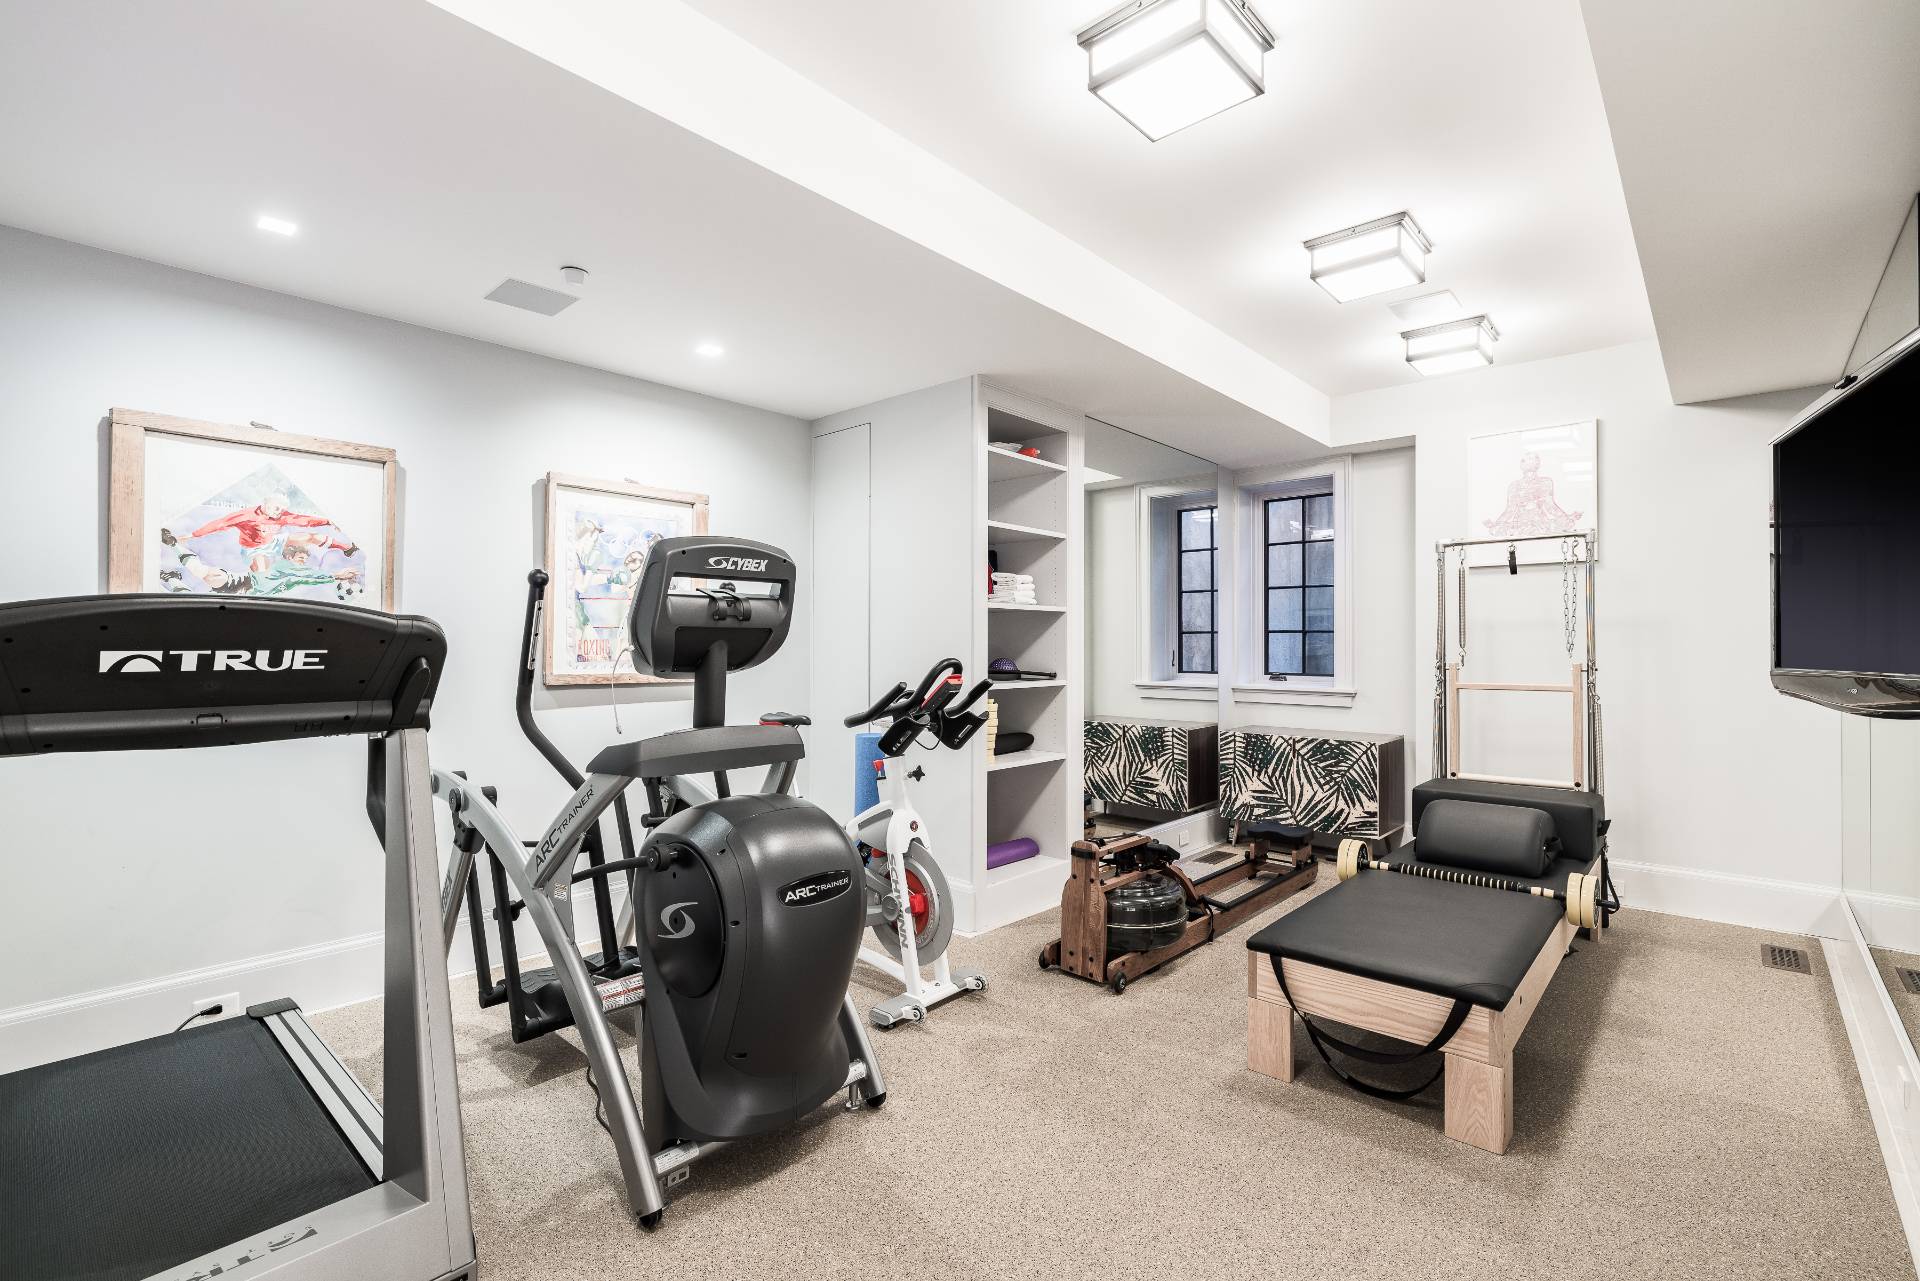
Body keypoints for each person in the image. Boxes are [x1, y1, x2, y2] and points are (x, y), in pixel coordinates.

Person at [1482, 452, 1582, 538]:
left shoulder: (1545, 482)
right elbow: (1510, 509)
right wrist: (1496, 525)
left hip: (1539, 523)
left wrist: (1566, 519)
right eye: (1527, 459)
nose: (1532, 461)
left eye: (1535, 458)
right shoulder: (1514, 485)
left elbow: (1550, 505)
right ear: (1521, 464)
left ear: (1538, 463)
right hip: (1520, 525)